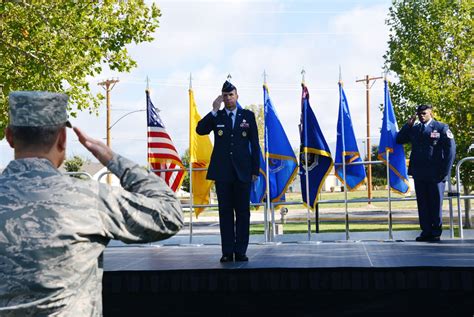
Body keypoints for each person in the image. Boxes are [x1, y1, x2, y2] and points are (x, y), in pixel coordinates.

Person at [0, 91, 183, 315]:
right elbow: (169, 214)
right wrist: (111, 158)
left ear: (9, 136)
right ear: (62, 139)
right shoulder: (89, 198)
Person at [196, 81, 259, 262]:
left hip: (243, 172)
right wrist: (214, 110)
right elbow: (200, 130)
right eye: (225, 95)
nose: (228, 98)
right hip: (223, 172)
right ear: (221, 98)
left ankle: (240, 251)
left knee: (242, 212)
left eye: (231, 95)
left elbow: (254, 145)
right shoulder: (218, 116)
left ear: (237, 96)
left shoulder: (248, 116)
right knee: (225, 213)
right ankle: (227, 251)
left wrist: (255, 169)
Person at [396, 104, 456, 242]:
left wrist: (445, 171)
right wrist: (408, 126)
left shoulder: (441, 128)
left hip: (436, 174)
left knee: (435, 203)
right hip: (419, 173)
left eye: (424, 113)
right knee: (422, 204)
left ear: (431, 113)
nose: (421, 116)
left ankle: (435, 232)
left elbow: (450, 151)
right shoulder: (416, 129)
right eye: (419, 114)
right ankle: (426, 231)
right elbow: (399, 139)